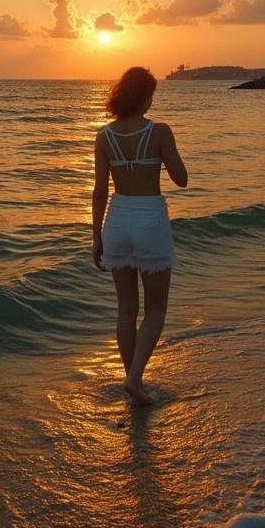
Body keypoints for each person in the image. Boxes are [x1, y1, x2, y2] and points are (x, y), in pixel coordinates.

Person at [92, 67, 188, 405]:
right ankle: (134, 380)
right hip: (149, 219)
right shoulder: (159, 131)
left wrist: (96, 237)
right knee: (156, 309)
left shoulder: (104, 136)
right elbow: (182, 179)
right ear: (143, 96)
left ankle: (133, 383)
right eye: (151, 94)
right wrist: (164, 155)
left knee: (125, 310)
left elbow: (99, 191)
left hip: (117, 220)